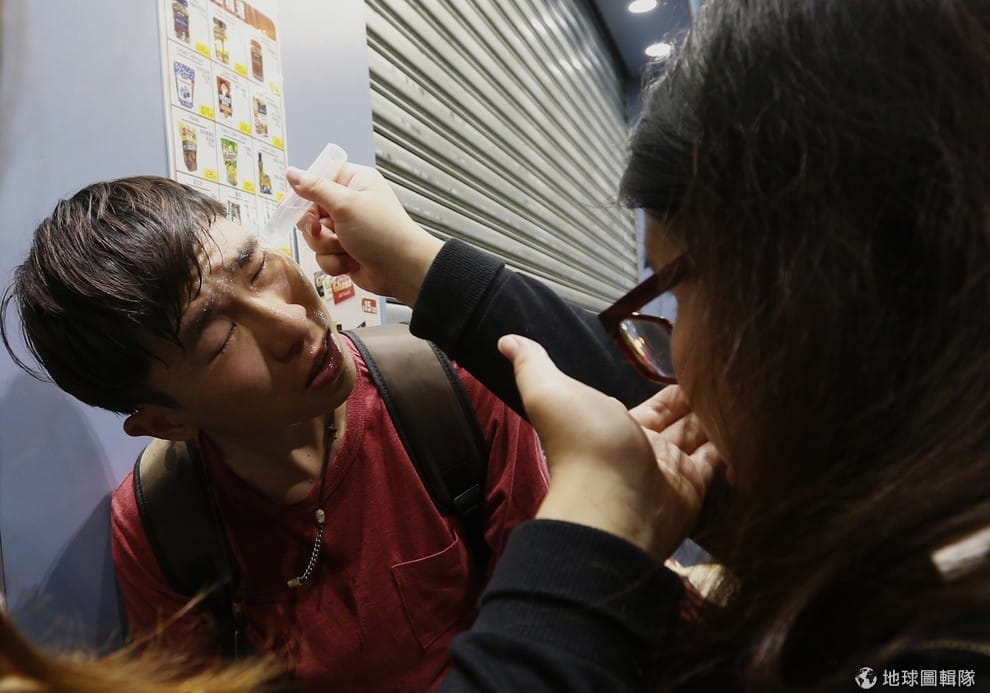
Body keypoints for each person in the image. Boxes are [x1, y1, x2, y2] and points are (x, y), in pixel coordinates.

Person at [283, 0, 990, 689]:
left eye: (673, 291)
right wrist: (418, 262)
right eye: (227, 327)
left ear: (801, 301)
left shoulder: (930, 647)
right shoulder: (900, 529)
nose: (678, 372)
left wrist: (592, 525)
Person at [0, 176, 549, 692]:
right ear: (167, 422)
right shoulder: (161, 527)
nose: (293, 322)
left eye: (258, 267)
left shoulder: (446, 388)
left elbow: (549, 625)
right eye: (219, 339)